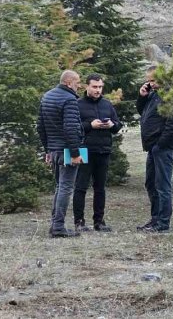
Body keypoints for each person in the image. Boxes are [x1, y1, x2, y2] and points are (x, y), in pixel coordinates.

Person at [38, 70, 85, 238]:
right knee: (66, 187)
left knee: (60, 186)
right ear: (68, 82)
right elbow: (71, 128)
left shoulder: (47, 96)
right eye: (77, 82)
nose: (79, 85)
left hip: (55, 149)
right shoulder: (70, 99)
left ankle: (55, 224)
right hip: (67, 150)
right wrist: (75, 153)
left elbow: (40, 127)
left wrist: (48, 150)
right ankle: (58, 226)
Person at [74, 74, 122, 232]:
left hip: (103, 150)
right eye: (95, 87)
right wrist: (90, 125)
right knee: (81, 187)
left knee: (100, 188)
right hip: (84, 150)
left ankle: (99, 221)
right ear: (87, 86)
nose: (98, 90)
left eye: (100, 87)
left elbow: (117, 125)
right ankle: (79, 221)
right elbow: (72, 127)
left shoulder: (107, 104)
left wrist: (111, 125)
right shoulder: (77, 104)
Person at [136, 66, 173, 233]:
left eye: (153, 80)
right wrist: (142, 97)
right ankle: (155, 219)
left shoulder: (170, 96)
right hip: (152, 147)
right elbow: (143, 112)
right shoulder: (153, 94)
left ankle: (163, 223)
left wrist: (160, 144)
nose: (150, 83)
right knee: (150, 183)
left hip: (163, 148)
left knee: (162, 185)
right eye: (148, 80)